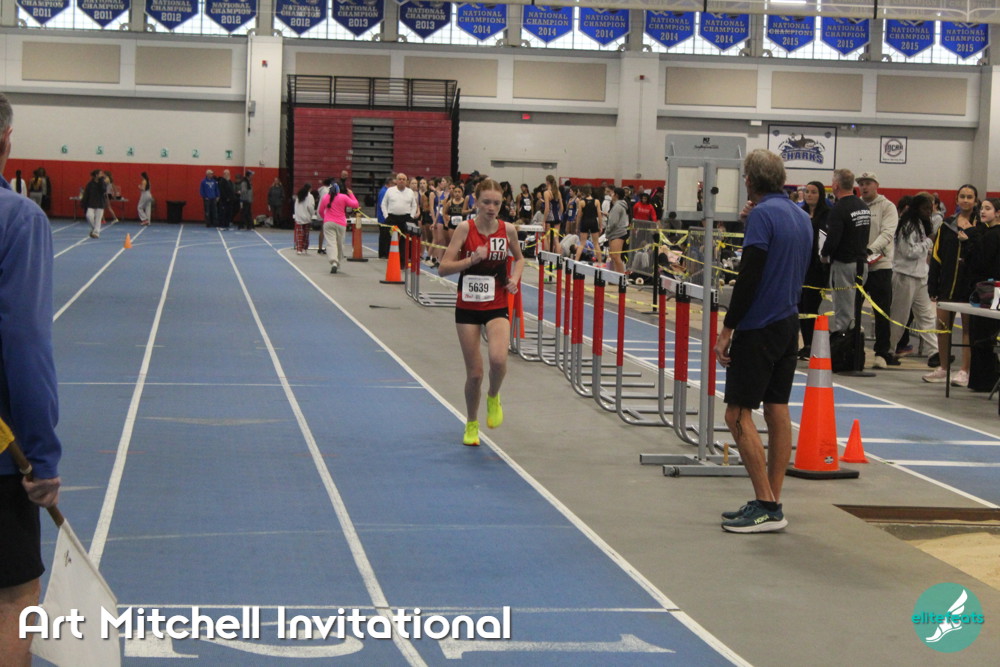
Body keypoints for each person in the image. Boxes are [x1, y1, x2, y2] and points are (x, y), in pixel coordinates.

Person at [714, 149, 811, 533]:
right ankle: (771, 498)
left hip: (759, 325)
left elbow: (750, 276)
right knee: (776, 408)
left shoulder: (762, 216)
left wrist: (727, 329)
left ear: (750, 180)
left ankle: (767, 506)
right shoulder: (800, 216)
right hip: (788, 323)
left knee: (737, 414)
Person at [0, 92, 63, 665]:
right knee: (15, 599)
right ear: (5, 139)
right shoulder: (18, 219)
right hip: (2, 452)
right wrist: (42, 458)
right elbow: (25, 342)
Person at [438, 179, 525, 447]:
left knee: (498, 360)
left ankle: (493, 396)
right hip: (468, 306)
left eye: (496, 203)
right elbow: (443, 267)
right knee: (475, 373)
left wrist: (514, 279)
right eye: (486, 202)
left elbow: (520, 258)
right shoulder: (465, 228)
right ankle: (472, 422)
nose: (491, 207)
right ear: (475, 201)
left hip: (496, 303)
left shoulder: (508, 230)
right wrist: (471, 260)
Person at [924, 184, 982, 385]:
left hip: (969, 287)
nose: (965, 200)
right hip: (947, 285)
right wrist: (933, 284)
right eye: (962, 196)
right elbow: (936, 256)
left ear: (975, 201)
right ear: (956, 199)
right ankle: (943, 368)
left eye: (970, 197)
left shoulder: (980, 226)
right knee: (942, 326)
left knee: (967, 329)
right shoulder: (946, 225)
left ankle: (965, 370)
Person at [888, 192, 938, 368]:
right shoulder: (907, 226)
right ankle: (889, 351)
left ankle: (934, 352)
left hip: (920, 277)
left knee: (927, 316)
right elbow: (909, 252)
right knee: (899, 317)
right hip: (905, 276)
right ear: (916, 208)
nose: (928, 212)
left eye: (930, 209)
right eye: (925, 208)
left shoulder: (922, 225)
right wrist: (929, 242)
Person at [820, 169, 871, 337]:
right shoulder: (863, 207)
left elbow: (833, 239)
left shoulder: (839, 208)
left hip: (844, 264)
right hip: (862, 264)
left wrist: (824, 255)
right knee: (855, 310)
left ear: (836, 186)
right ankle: (854, 340)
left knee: (843, 312)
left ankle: (846, 345)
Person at [857, 172, 899, 368]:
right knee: (853, 310)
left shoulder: (887, 206)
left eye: (868, 183)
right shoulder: (856, 205)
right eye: (861, 184)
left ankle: (882, 353)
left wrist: (869, 250)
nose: (864, 187)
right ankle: (853, 349)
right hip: (858, 265)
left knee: (881, 311)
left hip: (880, 266)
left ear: (876, 185)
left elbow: (887, 233)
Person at [963, 196, 1000, 392]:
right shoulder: (987, 233)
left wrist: (970, 238)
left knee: (983, 336)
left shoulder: (993, 235)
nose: (982, 211)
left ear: (998, 213)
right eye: (982, 208)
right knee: (981, 336)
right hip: (985, 290)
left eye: (988, 208)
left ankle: (986, 380)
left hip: (989, 292)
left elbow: (980, 261)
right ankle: (983, 380)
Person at [797, 181, 831, 359]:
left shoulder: (827, 214)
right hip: (800, 264)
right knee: (800, 306)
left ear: (820, 195)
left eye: (813, 192)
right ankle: (806, 344)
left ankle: (812, 344)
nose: (809, 195)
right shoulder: (799, 212)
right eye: (807, 191)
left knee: (811, 306)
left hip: (817, 267)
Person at [318, 182, 359, 274]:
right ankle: (338, 262)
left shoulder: (325, 197)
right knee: (340, 244)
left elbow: (320, 211)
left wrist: (326, 218)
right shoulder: (343, 197)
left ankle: (333, 262)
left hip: (328, 223)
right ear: (338, 190)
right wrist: (351, 194)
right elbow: (355, 205)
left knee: (331, 243)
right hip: (341, 223)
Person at [380, 172, 418, 268]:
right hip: (392, 218)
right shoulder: (390, 191)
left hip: (406, 218)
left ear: (406, 181)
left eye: (403, 179)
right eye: (399, 179)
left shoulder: (410, 192)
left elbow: (414, 205)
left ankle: (402, 263)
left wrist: (411, 216)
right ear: (396, 181)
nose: (401, 181)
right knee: (389, 240)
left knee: (404, 241)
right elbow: (383, 204)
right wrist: (386, 216)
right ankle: (391, 261)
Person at [574, 185, 603, 264]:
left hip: (585, 222)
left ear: (583, 193)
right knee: (596, 243)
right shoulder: (596, 201)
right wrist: (600, 226)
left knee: (582, 243)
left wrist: (577, 227)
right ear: (590, 192)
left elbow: (579, 216)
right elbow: (599, 215)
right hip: (593, 222)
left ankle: (576, 261)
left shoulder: (582, 202)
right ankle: (600, 262)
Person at [605, 187, 630, 273]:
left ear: (616, 195)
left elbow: (613, 222)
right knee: (613, 256)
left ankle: (621, 277)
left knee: (616, 256)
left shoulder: (618, 206)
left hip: (618, 233)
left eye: (613, 193)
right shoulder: (617, 205)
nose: (611, 195)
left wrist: (607, 231)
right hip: (615, 233)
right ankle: (615, 275)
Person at [81, 169, 108, 239]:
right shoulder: (90, 184)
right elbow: (86, 194)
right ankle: (94, 229)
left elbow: (103, 190)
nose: (102, 175)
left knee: (98, 220)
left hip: (100, 203)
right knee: (89, 216)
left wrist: (101, 181)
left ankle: (96, 233)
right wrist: (83, 202)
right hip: (91, 203)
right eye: (100, 173)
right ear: (96, 175)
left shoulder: (103, 183)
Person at [292, 183, 315, 255]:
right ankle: (304, 248)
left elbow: (295, 207)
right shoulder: (310, 196)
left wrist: (297, 215)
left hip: (299, 217)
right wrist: (312, 214)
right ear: (310, 189)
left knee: (299, 234)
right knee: (306, 234)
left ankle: (299, 249)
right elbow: (310, 207)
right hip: (307, 217)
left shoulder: (298, 196)